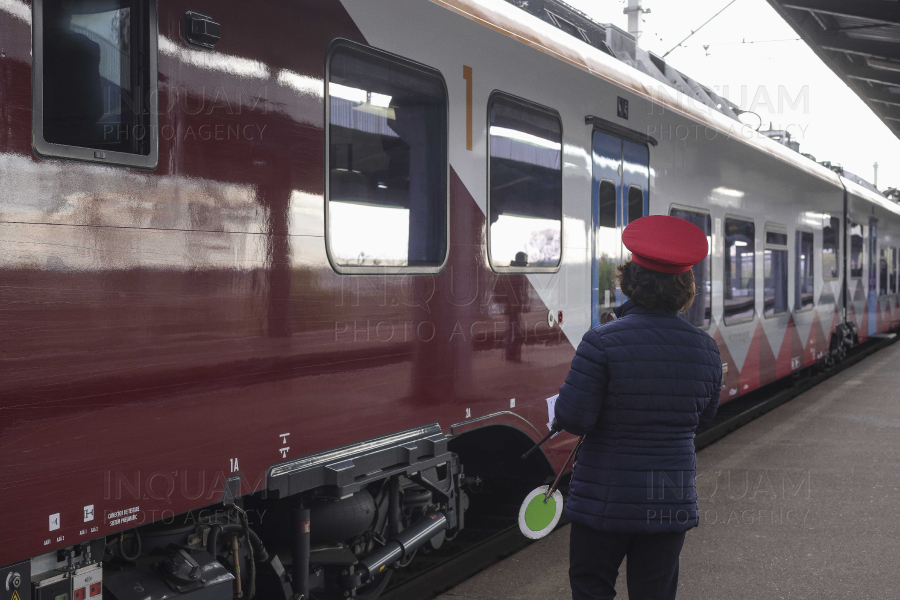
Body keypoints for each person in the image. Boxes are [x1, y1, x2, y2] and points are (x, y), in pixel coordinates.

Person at [555, 215, 723, 600]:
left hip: (604, 500)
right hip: (668, 498)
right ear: (686, 288)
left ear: (629, 282)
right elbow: (704, 418)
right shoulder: (706, 348)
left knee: (591, 587)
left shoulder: (600, 341)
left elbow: (573, 417)